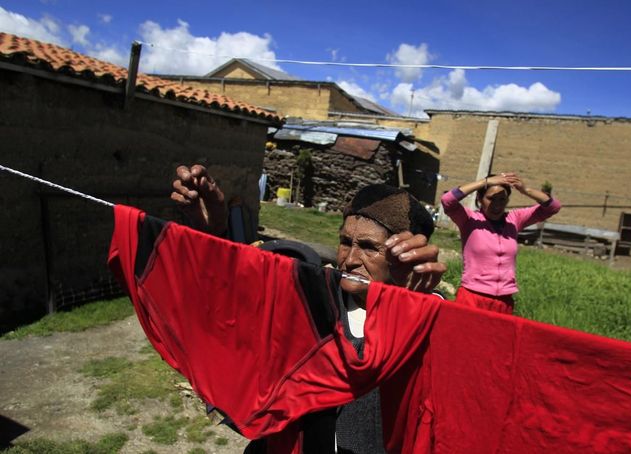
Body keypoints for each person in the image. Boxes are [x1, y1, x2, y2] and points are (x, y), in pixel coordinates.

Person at [171, 164, 446, 453]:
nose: (350, 259)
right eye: (344, 242)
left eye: (368, 246)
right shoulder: (314, 299)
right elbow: (235, 310)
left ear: (405, 254)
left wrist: (409, 302)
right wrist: (213, 237)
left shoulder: (427, 318)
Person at [440, 172, 561, 314]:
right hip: (472, 296)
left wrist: (525, 190)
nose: (497, 205)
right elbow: (447, 200)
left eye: (502, 199)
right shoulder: (469, 220)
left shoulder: (514, 219)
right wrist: (483, 182)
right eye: (491, 198)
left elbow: (553, 207)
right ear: (480, 198)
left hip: (503, 301)